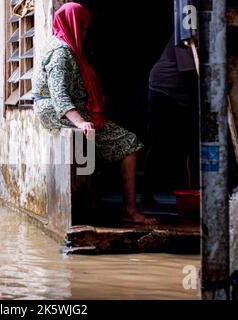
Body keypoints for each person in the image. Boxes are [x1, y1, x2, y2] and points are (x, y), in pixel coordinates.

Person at [31, 3, 157, 225]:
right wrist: (80, 122)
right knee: (130, 143)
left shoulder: (64, 44)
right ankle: (130, 210)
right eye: (84, 26)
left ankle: (98, 204)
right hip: (59, 113)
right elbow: (59, 94)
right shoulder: (61, 53)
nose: (86, 31)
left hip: (69, 111)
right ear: (76, 25)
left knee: (102, 145)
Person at [141, 35, 199, 208]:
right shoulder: (185, 35)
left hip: (181, 94)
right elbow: (191, 74)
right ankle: (146, 196)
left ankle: (192, 195)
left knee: (188, 145)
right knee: (159, 143)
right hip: (164, 90)